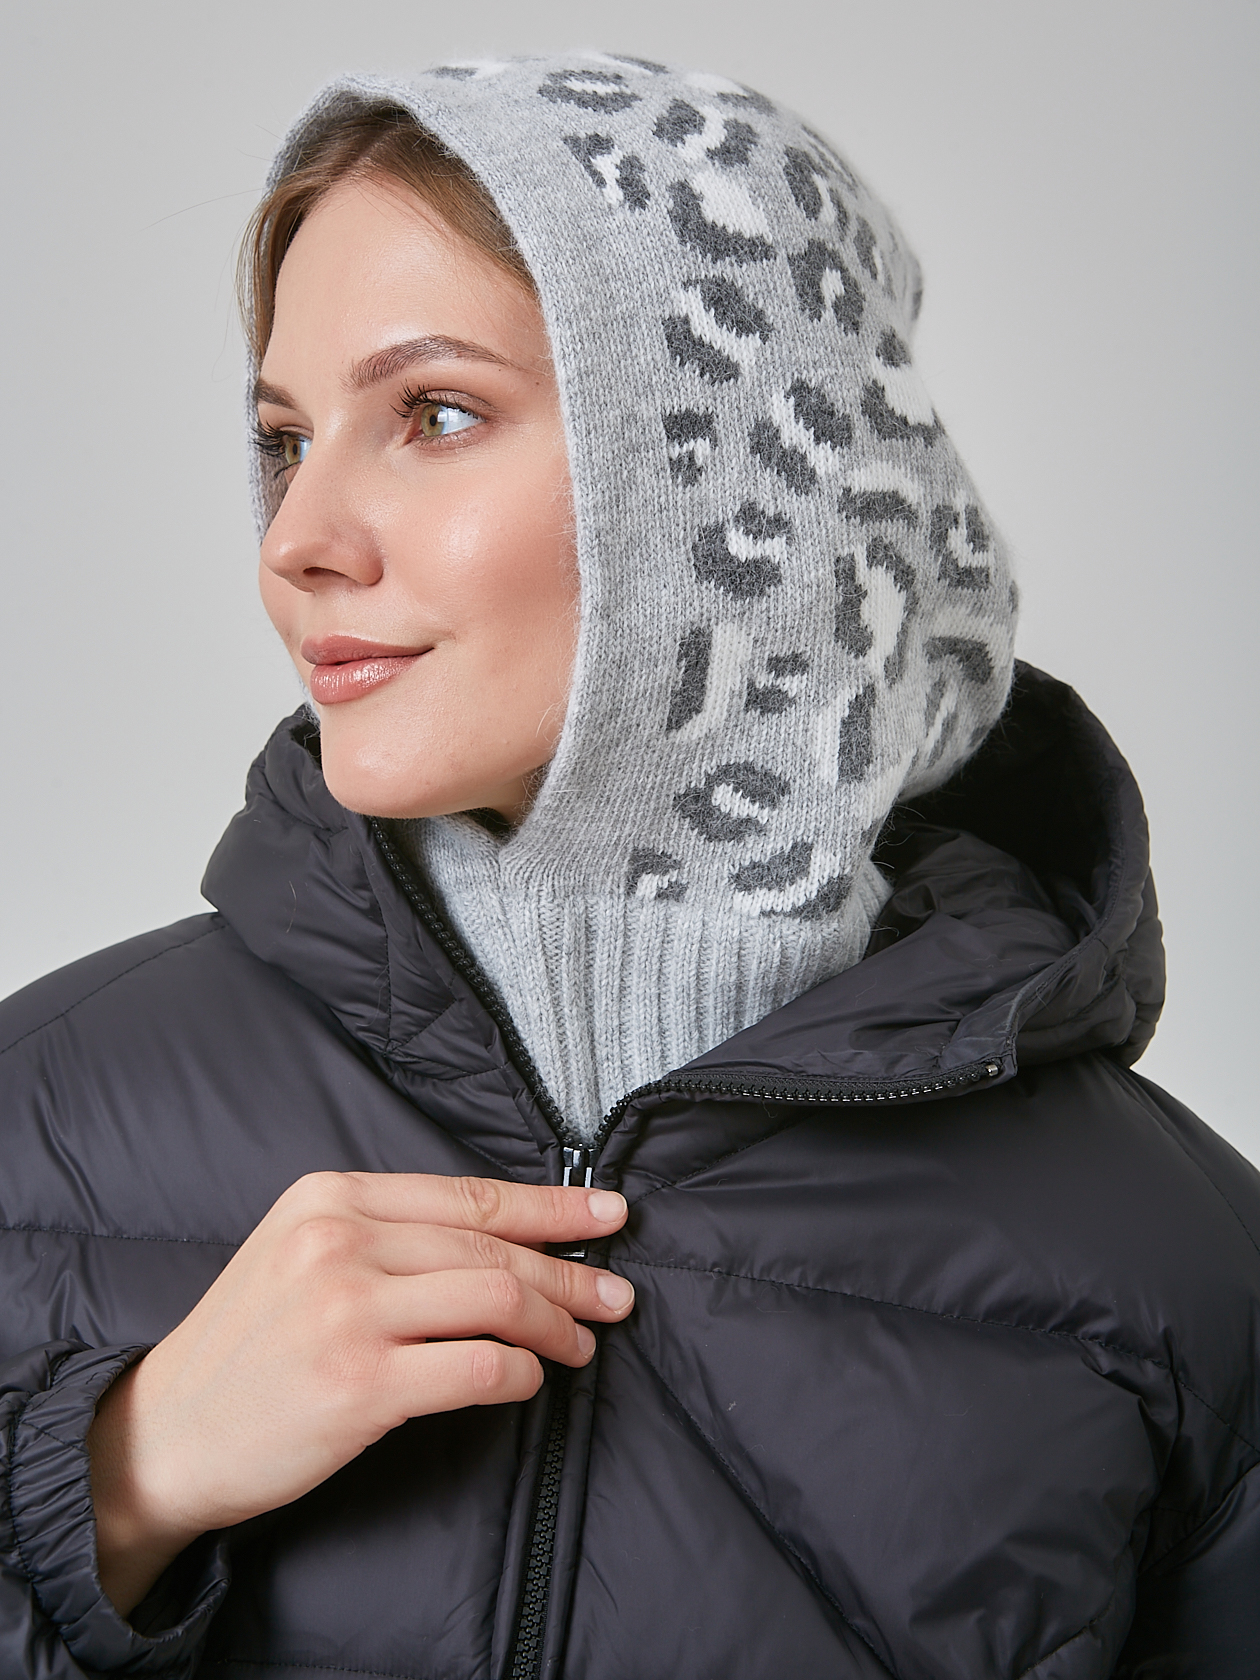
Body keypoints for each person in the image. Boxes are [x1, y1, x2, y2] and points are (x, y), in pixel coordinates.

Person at [0, 49, 1256, 1680]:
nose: (297, 536)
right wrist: (123, 1478)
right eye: (287, 436)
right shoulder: (39, 1111)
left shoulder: (1180, 1265)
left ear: (735, 484)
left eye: (435, 414)